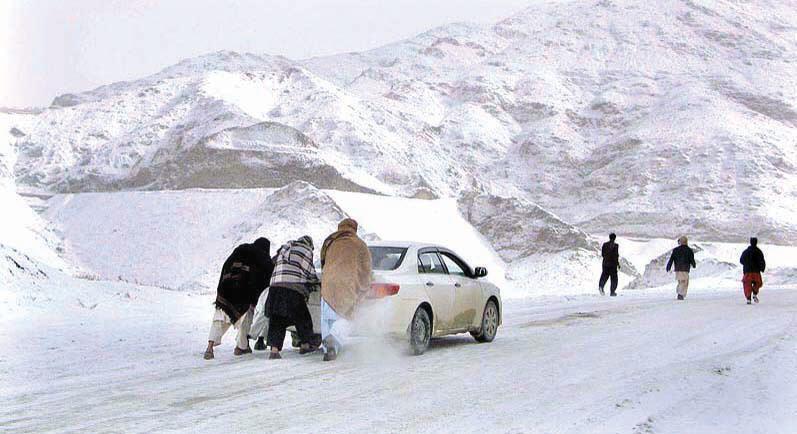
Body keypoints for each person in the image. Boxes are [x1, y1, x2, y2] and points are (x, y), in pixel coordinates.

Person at [204, 238, 273, 360]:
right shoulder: (263, 258)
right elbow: (266, 281)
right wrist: (255, 298)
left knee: (219, 318)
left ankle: (209, 347)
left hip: (225, 289)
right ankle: (241, 347)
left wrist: (221, 289)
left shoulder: (241, 249)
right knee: (245, 318)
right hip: (244, 292)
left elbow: (226, 266)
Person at [319, 218, 372, 361]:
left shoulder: (329, 242)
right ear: (354, 229)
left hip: (328, 282)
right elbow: (366, 270)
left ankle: (329, 351)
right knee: (348, 315)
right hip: (347, 283)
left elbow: (323, 261)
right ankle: (334, 338)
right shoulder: (360, 245)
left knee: (327, 319)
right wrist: (365, 286)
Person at [264, 236, 319, 360]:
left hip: (275, 287)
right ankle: (305, 345)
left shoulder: (285, 247)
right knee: (302, 317)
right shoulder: (305, 250)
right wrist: (314, 282)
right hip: (292, 288)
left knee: (277, 319)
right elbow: (309, 271)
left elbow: (274, 262)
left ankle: (274, 350)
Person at [666, 236, 696, 300]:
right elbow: (691, 259)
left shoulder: (675, 250)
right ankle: (680, 294)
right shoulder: (689, 250)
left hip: (677, 268)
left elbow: (671, 259)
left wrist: (669, 266)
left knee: (680, 281)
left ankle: (679, 293)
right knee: (684, 282)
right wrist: (693, 265)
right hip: (685, 269)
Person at [740, 237, 766, 305]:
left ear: (750, 242)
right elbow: (762, 261)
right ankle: (754, 292)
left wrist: (746, 264)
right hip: (756, 272)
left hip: (747, 271)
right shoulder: (759, 252)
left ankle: (748, 298)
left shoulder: (745, 252)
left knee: (747, 284)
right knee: (758, 283)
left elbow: (741, 260)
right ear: (756, 242)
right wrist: (762, 268)